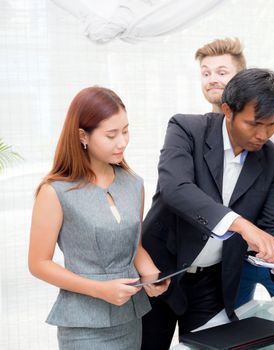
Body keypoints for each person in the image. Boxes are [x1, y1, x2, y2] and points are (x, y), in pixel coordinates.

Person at [141, 68, 274, 349]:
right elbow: (175, 188)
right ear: (227, 110)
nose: (263, 134)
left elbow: (272, 224)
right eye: (254, 123)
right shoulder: (187, 129)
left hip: (212, 283)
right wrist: (240, 224)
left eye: (272, 125)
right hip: (158, 272)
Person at [28, 86, 168, 350]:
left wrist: (152, 276)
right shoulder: (55, 191)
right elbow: (39, 263)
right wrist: (99, 289)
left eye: (125, 131)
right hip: (84, 326)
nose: (122, 142)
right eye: (111, 135)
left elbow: (133, 246)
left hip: (130, 317)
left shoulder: (133, 183)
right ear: (83, 136)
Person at [194, 37, 274, 307]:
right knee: (236, 323)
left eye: (222, 72)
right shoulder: (197, 135)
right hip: (232, 250)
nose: (213, 79)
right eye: (206, 73)